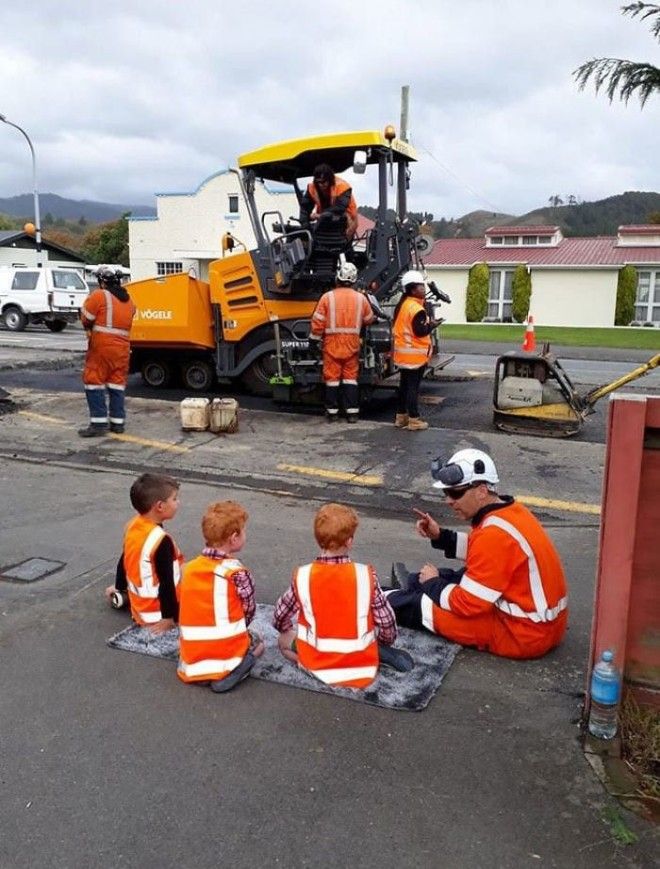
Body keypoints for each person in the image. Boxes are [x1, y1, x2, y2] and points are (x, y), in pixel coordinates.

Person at [385, 449, 568, 659]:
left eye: (455, 493)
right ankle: (412, 586)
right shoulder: (512, 512)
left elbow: (467, 605)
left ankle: (378, 598)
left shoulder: (494, 534)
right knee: (446, 577)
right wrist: (440, 536)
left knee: (422, 606)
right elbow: (484, 553)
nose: (449, 501)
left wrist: (432, 584)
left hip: (520, 633)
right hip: (541, 624)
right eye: (446, 493)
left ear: (481, 491)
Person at [273, 503, 412, 689]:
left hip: (318, 661)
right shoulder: (365, 575)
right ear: (349, 541)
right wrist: (384, 641)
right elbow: (386, 620)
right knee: (371, 628)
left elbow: (280, 615)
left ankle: (307, 665)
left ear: (318, 539)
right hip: (361, 665)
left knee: (283, 642)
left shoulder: (304, 576)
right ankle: (377, 652)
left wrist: (286, 629)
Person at [177, 501, 264, 693]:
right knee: (259, 645)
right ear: (234, 538)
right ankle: (232, 672)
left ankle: (205, 673)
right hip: (227, 653)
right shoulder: (237, 573)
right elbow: (248, 611)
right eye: (243, 531)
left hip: (192, 662)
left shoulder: (188, 569)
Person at [104, 473, 184, 635]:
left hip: (139, 607)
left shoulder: (133, 526)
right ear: (160, 506)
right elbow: (166, 583)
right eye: (174, 499)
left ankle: (124, 595)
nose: (178, 503)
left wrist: (120, 586)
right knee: (201, 574)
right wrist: (168, 619)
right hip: (157, 612)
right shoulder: (161, 541)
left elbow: (125, 560)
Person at [309, 258, 375, 423]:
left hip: (332, 345)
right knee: (350, 379)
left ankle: (332, 413)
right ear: (353, 281)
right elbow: (369, 319)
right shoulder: (361, 299)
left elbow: (318, 322)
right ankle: (352, 413)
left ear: (338, 278)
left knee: (332, 380)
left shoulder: (327, 297)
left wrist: (313, 340)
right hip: (352, 345)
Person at [79, 266, 136, 437]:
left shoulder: (99, 295)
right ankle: (118, 423)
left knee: (93, 381)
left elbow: (86, 318)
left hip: (102, 347)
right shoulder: (129, 301)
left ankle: (98, 424)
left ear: (102, 282)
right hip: (123, 349)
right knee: (116, 383)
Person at [392, 269, 441, 432]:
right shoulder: (416, 309)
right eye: (421, 285)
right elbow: (419, 331)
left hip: (403, 354)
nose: (424, 288)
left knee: (404, 387)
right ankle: (414, 419)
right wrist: (432, 325)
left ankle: (401, 417)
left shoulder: (404, 305)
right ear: (413, 288)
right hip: (414, 356)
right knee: (413, 388)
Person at [299, 163, 358, 241]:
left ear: (330, 179)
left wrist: (319, 216)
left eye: (324, 181)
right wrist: (305, 225)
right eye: (319, 182)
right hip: (324, 221)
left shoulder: (342, 186)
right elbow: (305, 207)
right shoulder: (312, 188)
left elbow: (339, 208)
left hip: (347, 220)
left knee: (345, 244)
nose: (321, 184)